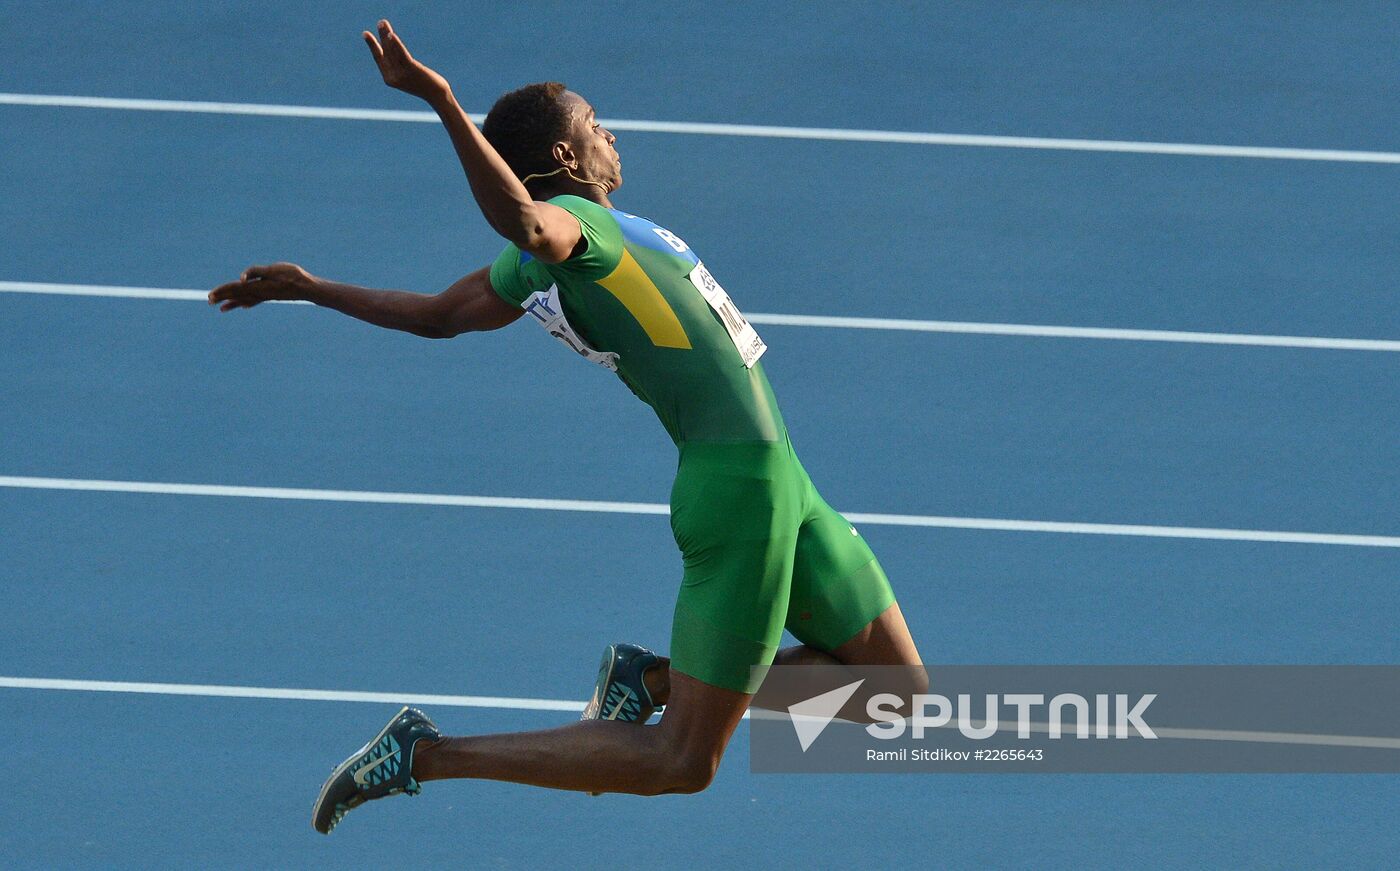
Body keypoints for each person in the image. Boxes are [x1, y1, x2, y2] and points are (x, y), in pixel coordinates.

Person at [208, 20, 927, 835]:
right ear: (561, 162)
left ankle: (654, 679)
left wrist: (316, 288)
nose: (610, 134)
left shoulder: (591, 243)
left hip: (785, 482)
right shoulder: (572, 237)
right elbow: (522, 222)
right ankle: (428, 753)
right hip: (739, 494)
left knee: (897, 695)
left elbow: (440, 315)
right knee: (682, 762)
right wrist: (444, 102)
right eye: (594, 126)